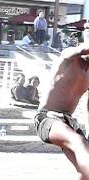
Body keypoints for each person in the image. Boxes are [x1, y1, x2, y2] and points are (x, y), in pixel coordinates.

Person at [34, 43, 89, 179]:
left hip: (68, 121)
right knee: (78, 142)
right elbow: (82, 49)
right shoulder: (69, 57)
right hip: (47, 117)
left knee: (83, 166)